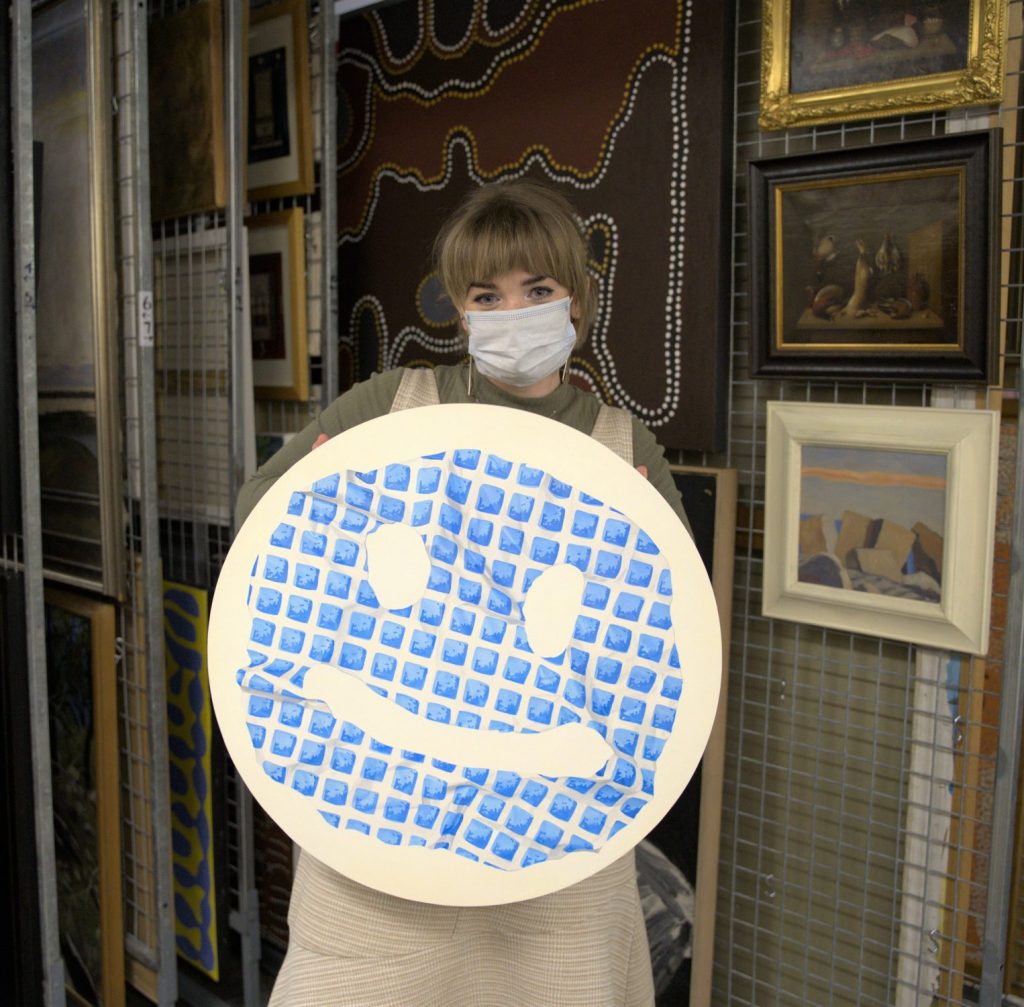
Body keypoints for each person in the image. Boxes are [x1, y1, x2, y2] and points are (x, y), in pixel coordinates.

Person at [236, 179, 690, 1007]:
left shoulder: (625, 451)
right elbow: (267, 517)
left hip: (560, 844)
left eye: (539, 290)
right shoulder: (394, 403)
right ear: (461, 309)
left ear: (577, 302)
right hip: (380, 831)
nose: (514, 310)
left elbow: (670, 633)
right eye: (489, 294)